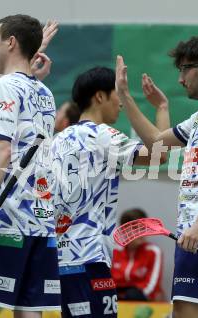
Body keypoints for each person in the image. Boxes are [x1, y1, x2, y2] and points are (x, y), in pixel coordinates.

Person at [116, 35, 198, 318]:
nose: (180, 79)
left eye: (184, 69)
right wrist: (128, 98)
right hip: (197, 233)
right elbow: (157, 144)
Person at [0, 15, 60, 318]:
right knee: (29, 314)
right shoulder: (45, 92)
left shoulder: (4, 86)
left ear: (11, 42)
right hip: (41, 224)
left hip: (5, 220)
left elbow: (1, 151)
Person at [51, 66, 169, 317]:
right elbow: (161, 154)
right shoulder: (103, 135)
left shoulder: (57, 140)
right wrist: (162, 109)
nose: (121, 103)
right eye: (117, 94)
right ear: (100, 96)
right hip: (90, 257)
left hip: (57, 260)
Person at [111, 208, 164, 301]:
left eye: (143, 227)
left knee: (134, 295)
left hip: (142, 301)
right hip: (116, 299)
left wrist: (131, 296)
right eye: (135, 228)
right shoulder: (113, 251)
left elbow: (151, 287)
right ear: (124, 230)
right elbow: (109, 281)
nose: (141, 232)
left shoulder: (154, 251)